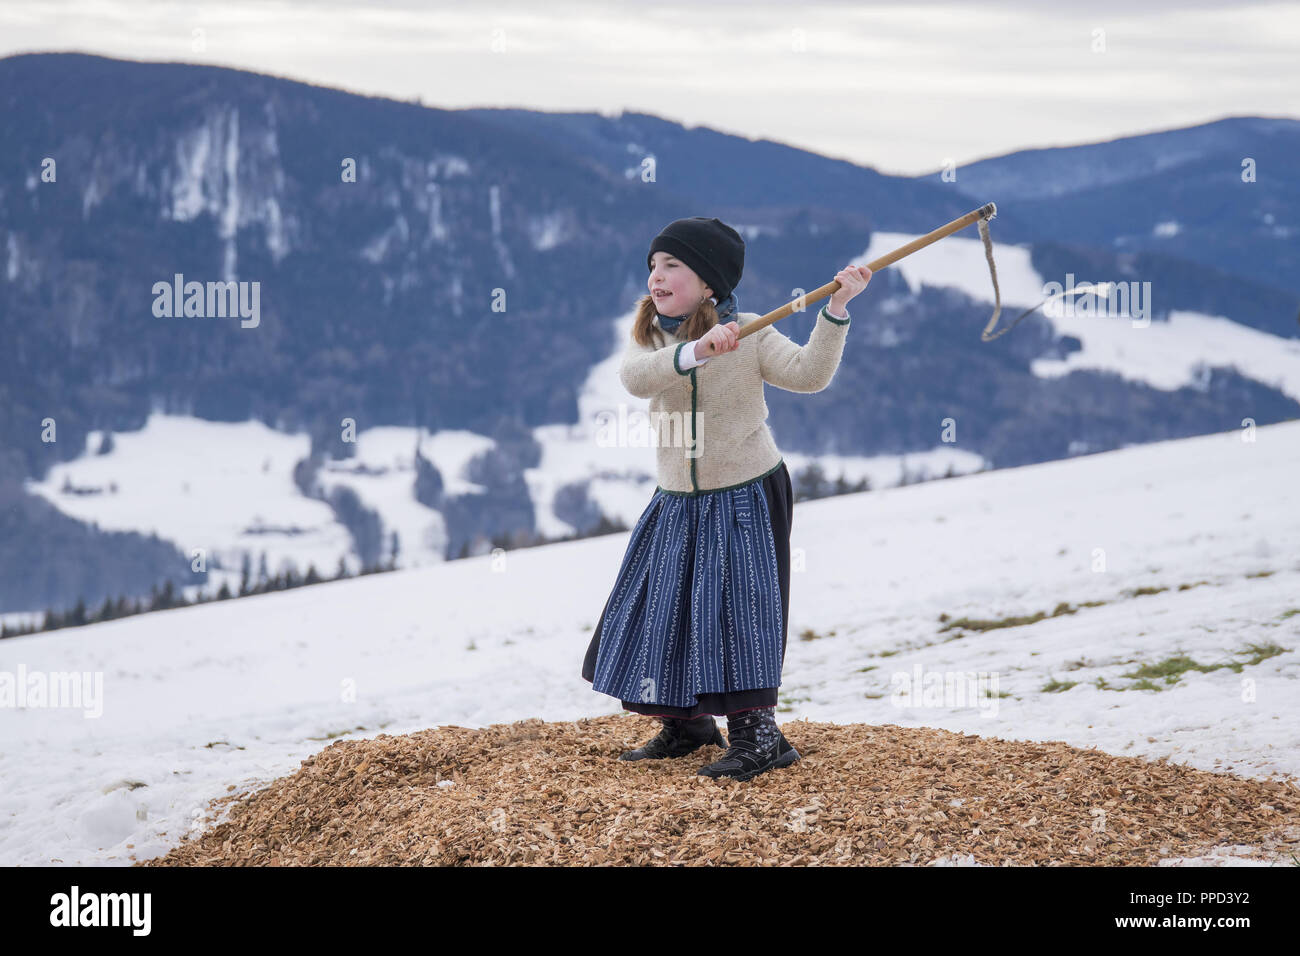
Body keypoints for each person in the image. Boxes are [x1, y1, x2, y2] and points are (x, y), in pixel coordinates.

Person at [580, 216, 871, 781]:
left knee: (742, 612)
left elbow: (809, 375)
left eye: (673, 266)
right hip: (678, 497)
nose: (656, 276)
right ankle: (687, 724)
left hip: (744, 492)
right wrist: (695, 352)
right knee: (666, 607)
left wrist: (836, 311)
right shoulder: (651, 334)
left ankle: (759, 736)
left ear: (709, 283)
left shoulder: (753, 332)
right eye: (653, 266)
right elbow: (636, 379)